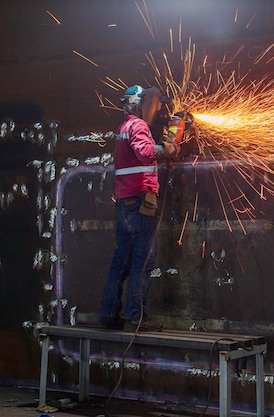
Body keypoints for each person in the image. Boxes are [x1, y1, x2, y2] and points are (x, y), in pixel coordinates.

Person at [99, 85, 178, 332]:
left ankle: (108, 313)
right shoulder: (138, 126)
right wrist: (167, 149)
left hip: (124, 204)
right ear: (139, 104)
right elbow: (145, 152)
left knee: (122, 260)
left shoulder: (123, 128)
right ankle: (135, 317)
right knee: (143, 261)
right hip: (140, 204)